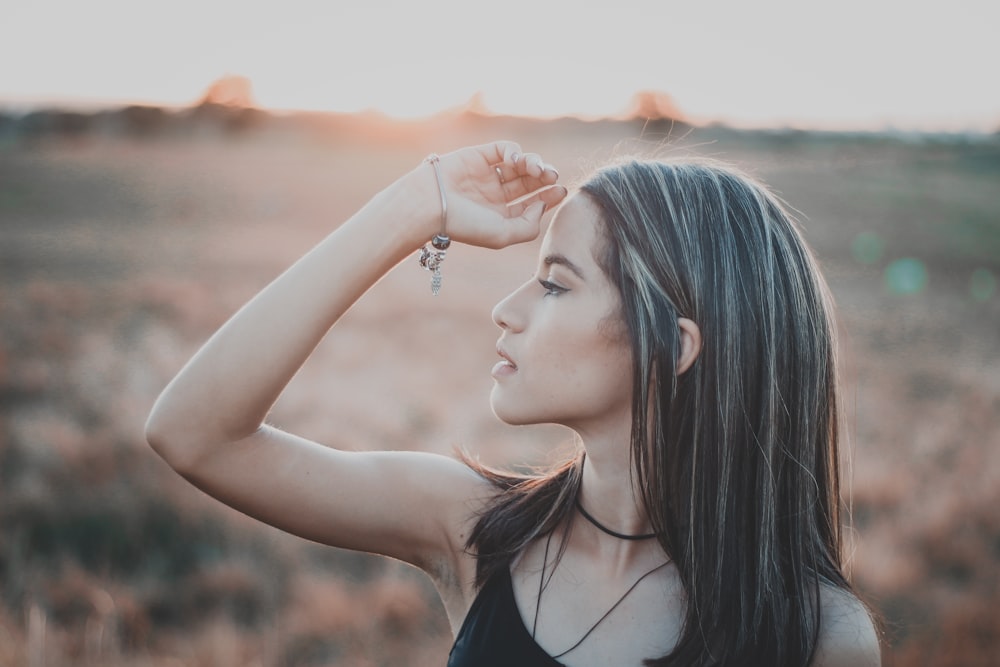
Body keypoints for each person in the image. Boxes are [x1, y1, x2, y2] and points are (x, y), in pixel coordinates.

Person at [145, 140, 881, 666]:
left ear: (673, 344)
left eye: (555, 283)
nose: (505, 308)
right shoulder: (476, 531)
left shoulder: (817, 636)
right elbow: (194, 433)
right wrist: (414, 205)